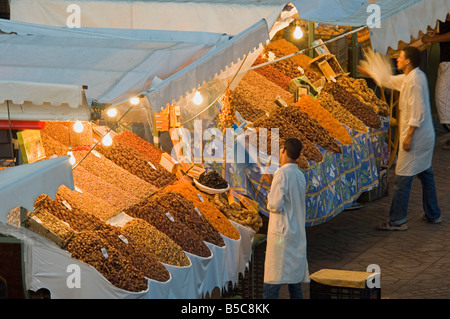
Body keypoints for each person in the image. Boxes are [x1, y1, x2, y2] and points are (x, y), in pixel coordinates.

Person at [358, 46, 442, 230]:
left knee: (403, 178)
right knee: (426, 174)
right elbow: (389, 80)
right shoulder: (410, 78)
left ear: (408, 61)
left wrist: (409, 137)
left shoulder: (415, 81)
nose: (397, 59)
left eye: (400, 57)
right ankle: (433, 214)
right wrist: (371, 71)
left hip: (417, 138)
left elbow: (418, 112)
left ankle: (397, 220)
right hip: (424, 138)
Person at [263, 138, 309, 299]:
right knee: (294, 281)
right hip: (296, 234)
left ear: (283, 151)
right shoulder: (299, 174)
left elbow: (275, 204)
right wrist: (272, 183)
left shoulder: (281, 173)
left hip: (281, 236)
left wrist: (270, 192)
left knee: (273, 280)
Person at [422, 13, 450, 149]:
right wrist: (435, 34)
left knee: (442, 99)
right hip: (446, 59)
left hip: (448, 61)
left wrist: (433, 39)